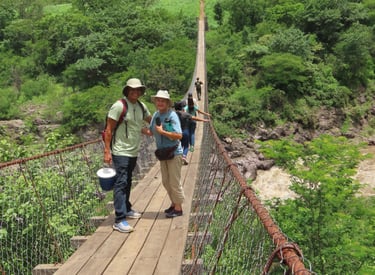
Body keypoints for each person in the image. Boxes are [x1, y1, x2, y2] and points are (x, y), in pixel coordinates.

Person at [103, 78, 152, 233]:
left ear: (140, 92)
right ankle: (119, 219)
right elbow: (109, 129)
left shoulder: (141, 106)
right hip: (120, 150)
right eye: (132, 89)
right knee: (121, 182)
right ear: (127, 91)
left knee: (128, 180)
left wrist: (167, 124)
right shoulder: (119, 106)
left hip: (133, 150)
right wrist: (107, 151)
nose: (135, 92)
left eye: (138, 90)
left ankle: (127, 208)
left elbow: (150, 121)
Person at [146, 90, 185, 218]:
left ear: (168, 103)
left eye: (163, 101)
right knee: (166, 181)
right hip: (163, 153)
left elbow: (179, 135)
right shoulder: (156, 115)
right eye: (158, 100)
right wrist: (134, 128)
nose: (160, 102)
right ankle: (174, 204)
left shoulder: (172, 115)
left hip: (174, 152)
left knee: (174, 181)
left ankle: (178, 208)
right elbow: (151, 132)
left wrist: (162, 132)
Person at [174, 100, 209, 165]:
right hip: (185, 131)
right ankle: (184, 156)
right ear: (182, 107)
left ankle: (178, 158)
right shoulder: (185, 114)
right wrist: (204, 120)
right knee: (186, 146)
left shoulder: (173, 115)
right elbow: (194, 118)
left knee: (180, 145)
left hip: (177, 133)